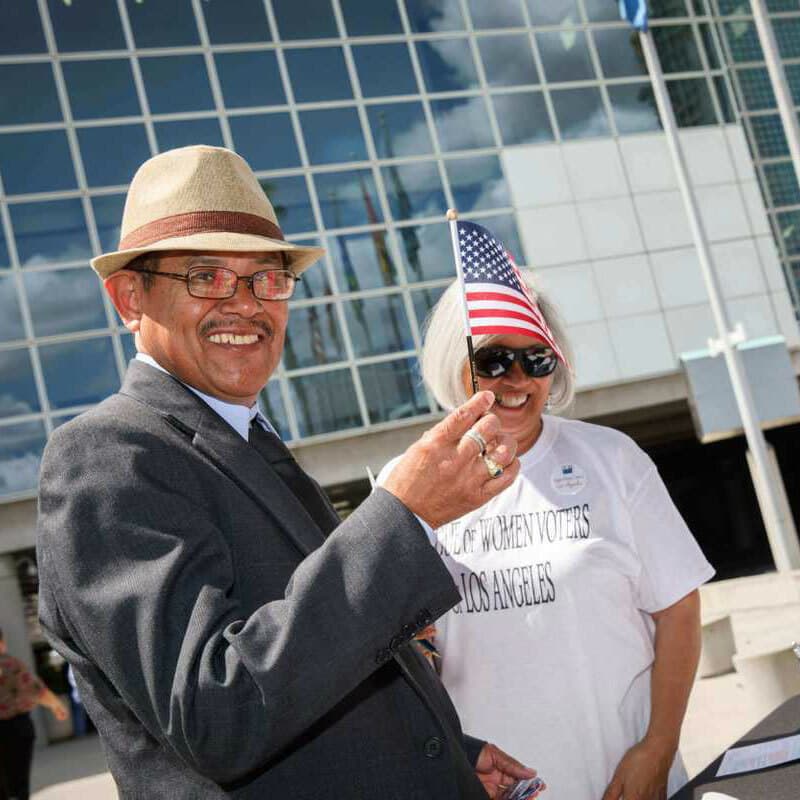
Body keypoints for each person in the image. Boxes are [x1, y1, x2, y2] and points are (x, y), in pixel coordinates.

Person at [35, 145, 543, 800]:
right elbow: (219, 712)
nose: (245, 305)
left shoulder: (246, 442)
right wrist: (403, 515)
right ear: (130, 297)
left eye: (267, 278)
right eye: (207, 276)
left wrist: (442, 754)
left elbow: (318, 661)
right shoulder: (105, 458)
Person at [379, 274, 715, 800]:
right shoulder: (406, 482)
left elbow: (678, 608)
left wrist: (658, 747)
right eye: (493, 360)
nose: (517, 379)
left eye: (536, 359)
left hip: (629, 782)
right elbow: (398, 654)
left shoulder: (613, 459)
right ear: (454, 361)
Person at [0, 628, 68, 800]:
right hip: (15, 728)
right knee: (18, 784)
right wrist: (56, 706)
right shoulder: (9, 664)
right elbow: (36, 690)